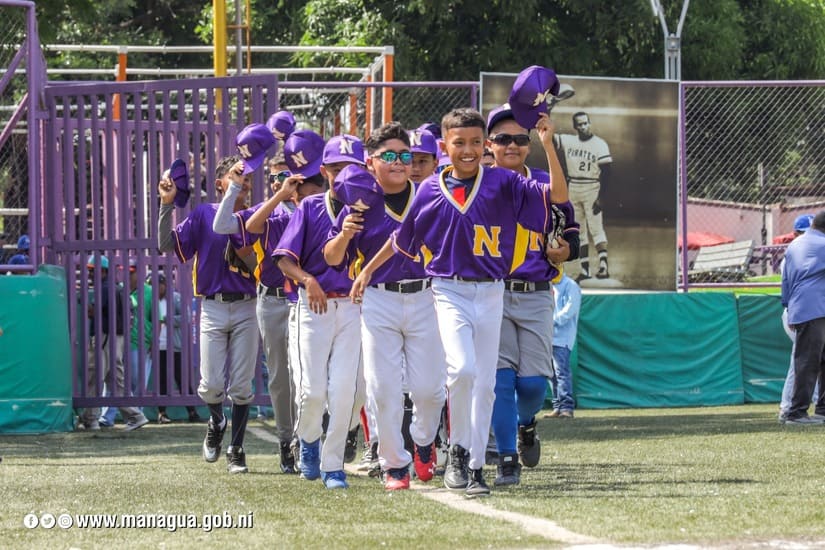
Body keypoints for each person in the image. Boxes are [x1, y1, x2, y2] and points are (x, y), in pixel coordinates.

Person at [350, 107, 565, 497]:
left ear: (485, 145)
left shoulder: (502, 182)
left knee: (484, 385)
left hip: (492, 289)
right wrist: (367, 271)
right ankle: (460, 453)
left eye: (474, 142)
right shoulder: (431, 188)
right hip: (448, 289)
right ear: (444, 146)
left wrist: (548, 146)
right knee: (463, 371)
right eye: (458, 142)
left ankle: (474, 464)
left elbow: (558, 197)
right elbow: (402, 240)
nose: (467, 150)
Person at [324, 123, 447, 491]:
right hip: (379, 298)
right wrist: (345, 232)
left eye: (404, 156)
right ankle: (394, 464)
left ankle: (424, 441)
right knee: (383, 387)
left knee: (429, 390)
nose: (398, 162)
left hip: (426, 295)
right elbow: (332, 259)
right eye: (389, 156)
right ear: (370, 161)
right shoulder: (361, 198)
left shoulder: (428, 192)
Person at [216, 131, 325, 474]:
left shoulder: (316, 208)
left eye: (293, 177)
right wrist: (281, 195)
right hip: (276, 300)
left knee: (310, 375)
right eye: (278, 177)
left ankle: (311, 438)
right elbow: (247, 225)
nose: (288, 183)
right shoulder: (274, 213)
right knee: (281, 376)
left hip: (311, 299)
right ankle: (285, 442)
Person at [485, 103, 577, 486]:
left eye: (519, 139)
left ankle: (526, 426)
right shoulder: (480, 185)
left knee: (534, 384)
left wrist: (563, 252)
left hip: (537, 291)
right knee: (501, 380)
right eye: (503, 138)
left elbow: (567, 224)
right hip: (492, 292)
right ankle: (507, 456)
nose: (511, 145)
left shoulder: (542, 181)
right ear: (489, 144)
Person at [157, 150, 261, 474]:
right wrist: (166, 204)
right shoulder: (204, 214)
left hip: (246, 304)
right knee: (210, 384)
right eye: (236, 178)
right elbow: (166, 245)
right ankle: (217, 420)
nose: (243, 184)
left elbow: (264, 263)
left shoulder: (258, 215)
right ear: (220, 184)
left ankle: (237, 448)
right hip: (213, 305)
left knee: (242, 385)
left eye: (247, 180)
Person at [272, 133, 367, 489]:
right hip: (312, 307)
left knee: (345, 391)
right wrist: (308, 279)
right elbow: (283, 259)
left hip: (352, 307)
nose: (345, 174)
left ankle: (333, 465)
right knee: (311, 391)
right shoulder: (310, 207)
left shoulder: (367, 209)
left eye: (352, 167)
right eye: (338, 168)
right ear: (325, 171)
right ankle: (308, 440)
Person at [78, 254, 149, 432]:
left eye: (92, 271)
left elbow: (95, 312)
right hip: (117, 337)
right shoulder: (117, 288)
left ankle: (91, 418)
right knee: (116, 379)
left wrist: (84, 303)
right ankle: (134, 415)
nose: (89, 274)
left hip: (105, 336)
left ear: (103, 271)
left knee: (96, 375)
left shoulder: (105, 288)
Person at [555, 111, 612, 282]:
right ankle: (585, 270)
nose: (583, 126)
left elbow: (607, 172)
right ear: (575, 126)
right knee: (579, 231)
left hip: (592, 186)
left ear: (589, 123)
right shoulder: (569, 140)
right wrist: (547, 111)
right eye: (579, 124)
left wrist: (601, 197)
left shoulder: (600, 144)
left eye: (585, 123)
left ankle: (603, 266)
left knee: (596, 228)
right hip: (573, 186)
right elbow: (550, 138)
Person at [780, 210, 825, 425]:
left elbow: (786, 281)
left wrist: (788, 307)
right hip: (815, 308)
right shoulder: (822, 245)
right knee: (807, 361)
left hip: (802, 308)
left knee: (815, 359)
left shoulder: (795, 245)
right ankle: (796, 413)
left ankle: (822, 410)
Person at [153, 272, 202, 424]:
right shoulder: (151, 299)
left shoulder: (175, 298)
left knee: (182, 379)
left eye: (160, 284)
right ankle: (162, 413)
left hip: (174, 345)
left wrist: (168, 319)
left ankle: (192, 411)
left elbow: (186, 317)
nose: (158, 288)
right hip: (158, 346)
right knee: (161, 380)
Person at [548, 273, 581, 419]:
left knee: (561, 372)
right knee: (551, 374)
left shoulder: (570, 285)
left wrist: (551, 320)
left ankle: (567, 407)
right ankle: (557, 406)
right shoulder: (547, 283)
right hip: (547, 336)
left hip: (562, 337)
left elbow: (570, 309)